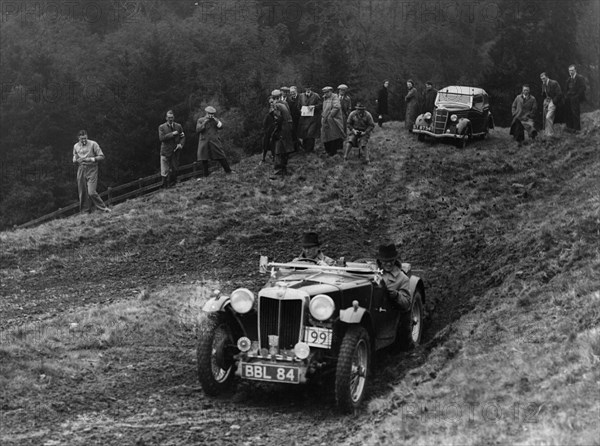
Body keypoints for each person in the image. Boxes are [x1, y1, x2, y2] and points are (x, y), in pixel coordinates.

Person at [72, 130, 111, 213]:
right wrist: (76, 160)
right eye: (82, 139)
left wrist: (92, 159)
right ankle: (85, 212)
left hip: (92, 168)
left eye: (85, 138)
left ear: (87, 136)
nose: (84, 140)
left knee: (91, 192)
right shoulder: (75, 146)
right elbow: (74, 157)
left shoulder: (93, 144)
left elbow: (102, 156)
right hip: (81, 168)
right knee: (82, 191)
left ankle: (103, 208)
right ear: (78, 138)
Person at [196, 106, 233, 177]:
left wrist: (215, 121)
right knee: (204, 158)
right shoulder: (200, 120)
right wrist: (204, 123)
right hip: (204, 142)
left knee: (221, 155)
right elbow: (198, 130)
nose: (211, 115)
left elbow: (221, 127)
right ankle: (205, 176)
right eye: (209, 113)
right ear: (206, 113)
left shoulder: (215, 120)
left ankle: (228, 170)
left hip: (214, 141)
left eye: (212, 114)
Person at [376, 242, 411, 312]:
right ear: (380, 260)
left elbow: (407, 304)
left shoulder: (403, 278)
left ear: (395, 259)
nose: (389, 264)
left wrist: (397, 295)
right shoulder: (371, 272)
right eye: (385, 261)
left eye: (391, 260)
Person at [270, 89, 295, 178]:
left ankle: (278, 171)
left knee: (278, 150)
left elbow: (278, 119)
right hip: (288, 128)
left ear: (273, 97)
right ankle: (284, 168)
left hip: (282, 129)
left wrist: (276, 130)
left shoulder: (276, 105)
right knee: (285, 149)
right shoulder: (285, 103)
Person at [158, 110, 185, 188]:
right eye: (169, 117)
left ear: (174, 117)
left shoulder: (178, 126)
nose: (170, 119)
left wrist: (181, 144)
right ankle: (164, 186)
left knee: (175, 168)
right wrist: (172, 134)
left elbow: (183, 136)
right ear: (166, 118)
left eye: (172, 117)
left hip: (175, 151)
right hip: (165, 151)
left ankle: (173, 185)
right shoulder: (161, 127)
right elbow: (161, 138)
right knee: (164, 170)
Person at [320, 86, 345, 156]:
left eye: (327, 92)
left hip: (334, 119)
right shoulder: (325, 98)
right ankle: (327, 150)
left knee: (334, 135)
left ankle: (333, 151)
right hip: (325, 119)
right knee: (325, 135)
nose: (326, 93)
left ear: (331, 91)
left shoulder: (334, 97)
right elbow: (324, 108)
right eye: (325, 92)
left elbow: (336, 107)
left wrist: (330, 115)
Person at [297, 85, 322, 152]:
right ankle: (305, 148)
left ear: (311, 88)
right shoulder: (301, 96)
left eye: (309, 88)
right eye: (306, 88)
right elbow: (298, 106)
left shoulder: (316, 95)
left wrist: (313, 107)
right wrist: (301, 111)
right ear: (305, 88)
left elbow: (320, 105)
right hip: (304, 118)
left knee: (311, 134)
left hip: (313, 118)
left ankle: (310, 150)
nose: (308, 89)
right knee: (304, 134)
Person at [564, 64, 586, 132]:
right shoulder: (568, 79)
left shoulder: (580, 78)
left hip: (575, 98)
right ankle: (570, 129)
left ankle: (577, 129)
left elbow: (583, 88)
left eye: (572, 70)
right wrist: (566, 96)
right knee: (569, 113)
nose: (571, 72)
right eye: (569, 70)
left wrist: (577, 96)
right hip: (569, 98)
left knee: (575, 113)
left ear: (575, 70)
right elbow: (566, 89)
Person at [540, 72, 563, 137]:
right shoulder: (543, 84)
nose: (543, 80)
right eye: (541, 79)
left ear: (547, 77)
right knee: (546, 118)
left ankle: (550, 134)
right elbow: (544, 95)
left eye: (544, 78)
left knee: (548, 117)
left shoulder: (554, 83)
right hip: (547, 102)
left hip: (554, 102)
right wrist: (545, 99)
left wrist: (553, 102)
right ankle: (547, 133)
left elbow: (559, 94)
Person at [287, 86, 301, 150]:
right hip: (292, 118)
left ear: (296, 91)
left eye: (293, 92)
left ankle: (302, 146)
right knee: (293, 132)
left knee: (300, 132)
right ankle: (296, 147)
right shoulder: (289, 99)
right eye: (291, 92)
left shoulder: (300, 97)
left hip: (301, 118)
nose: (292, 93)